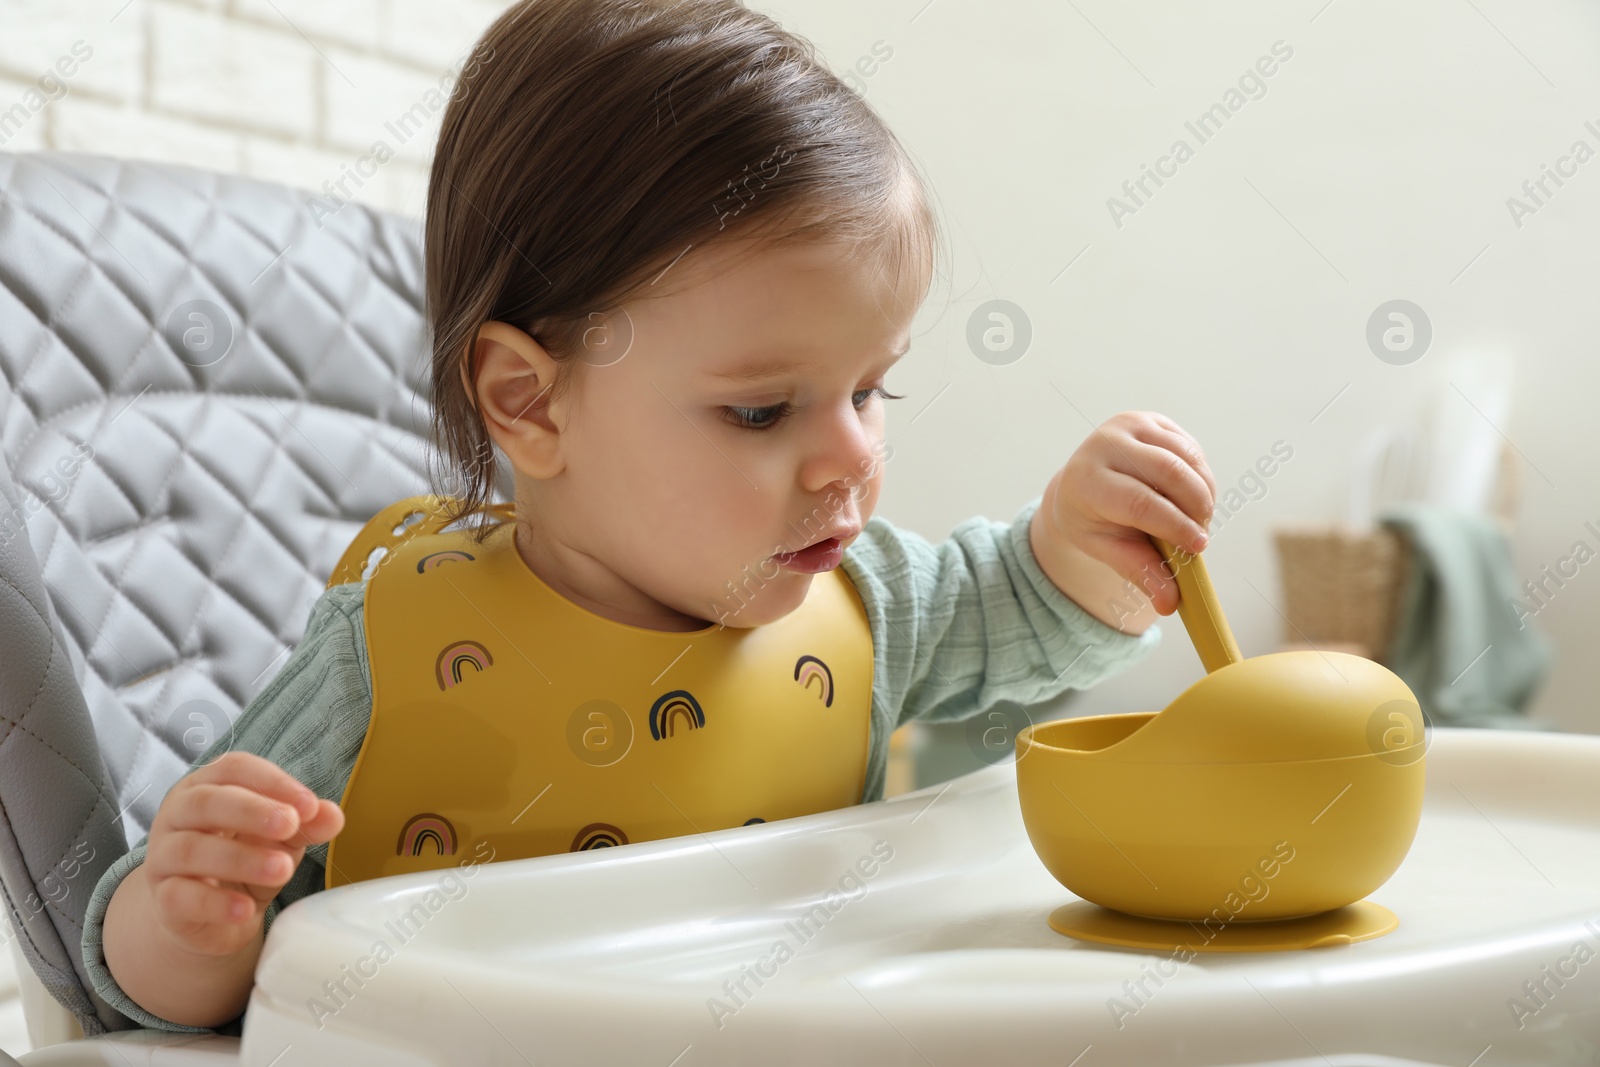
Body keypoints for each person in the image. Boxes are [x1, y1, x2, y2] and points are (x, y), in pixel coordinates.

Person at [82, 0, 1216, 1035]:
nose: (853, 456)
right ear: (530, 402)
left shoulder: (865, 608)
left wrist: (1086, 546)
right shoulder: (386, 661)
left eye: (871, 388)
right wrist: (186, 918)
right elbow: (141, 993)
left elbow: (1027, 610)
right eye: (762, 409)